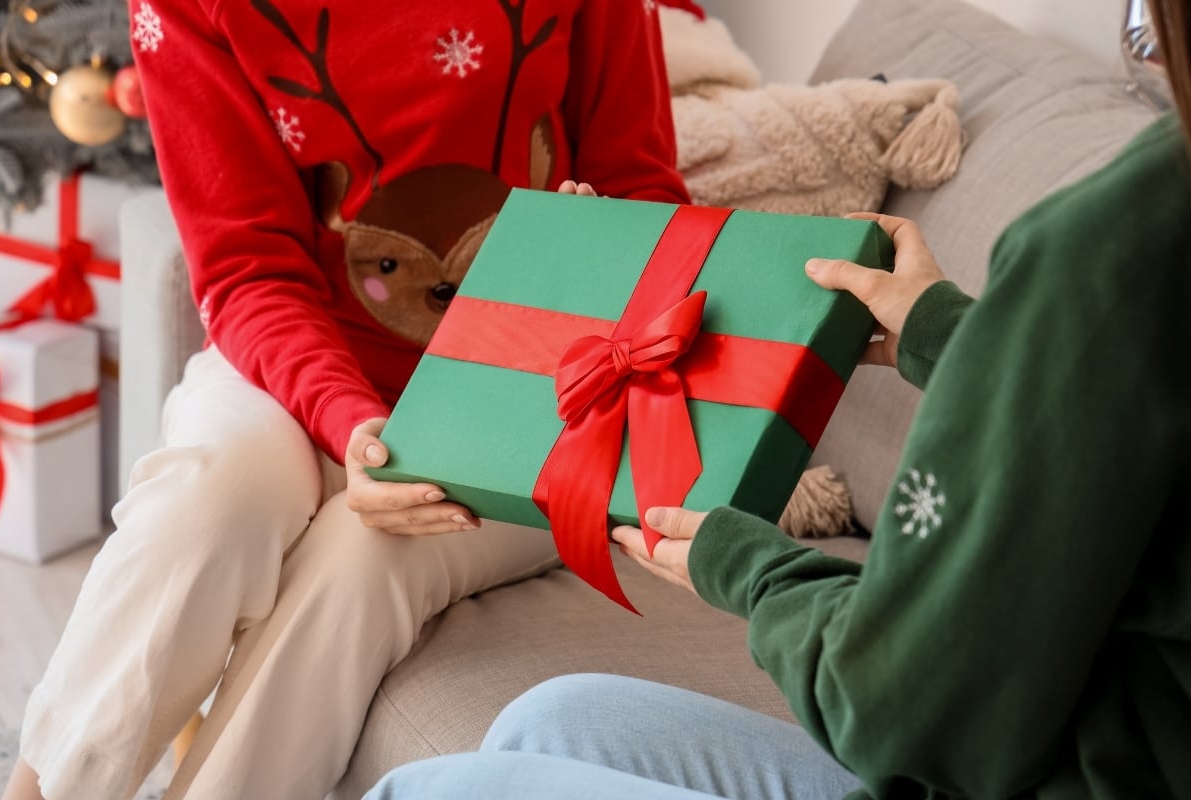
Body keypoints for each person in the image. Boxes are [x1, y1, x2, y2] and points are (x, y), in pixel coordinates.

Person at [361, 0, 1191, 797]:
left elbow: (901, 713)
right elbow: (1105, 426)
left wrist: (755, 570)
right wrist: (958, 337)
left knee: (424, 789)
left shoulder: (1112, 247)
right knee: (551, 720)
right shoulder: (1126, 246)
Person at [4, 2, 690, 800]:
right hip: (296, 362)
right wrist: (350, 422)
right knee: (211, 500)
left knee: (365, 556)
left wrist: (603, 248)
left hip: (531, 395)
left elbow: (648, 195)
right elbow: (247, 267)